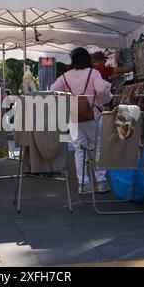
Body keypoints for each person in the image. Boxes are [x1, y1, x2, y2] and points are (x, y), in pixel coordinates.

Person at [51, 47, 113, 194]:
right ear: (87, 59)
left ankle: (83, 184)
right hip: (93, 116)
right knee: (97, 147)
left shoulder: (66, 76)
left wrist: (69, 98)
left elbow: (53, 90)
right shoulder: (93, 73)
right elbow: (100, 89)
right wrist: (104, 88)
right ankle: (101, 182)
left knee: (79, 150)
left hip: (74, 117)